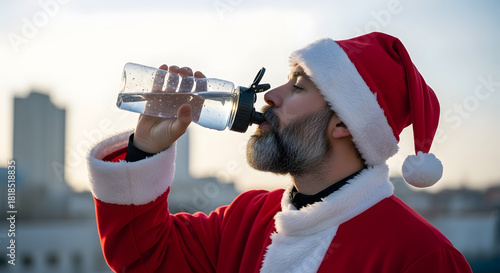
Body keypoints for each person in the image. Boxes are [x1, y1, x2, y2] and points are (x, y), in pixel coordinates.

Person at [87, 32, 472, 272]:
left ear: (343, 124)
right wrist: (145, 150)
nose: (270, 95)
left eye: (299, 86)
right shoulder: (246, 219)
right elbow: (144, 258)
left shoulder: (422, 258)